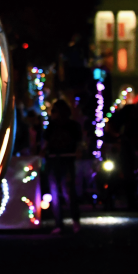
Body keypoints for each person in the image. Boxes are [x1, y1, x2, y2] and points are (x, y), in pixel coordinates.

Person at [42, 99, 82, 234]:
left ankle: (72, 221)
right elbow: (46, 143)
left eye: (54, 111)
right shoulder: (53, 126)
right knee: (58, 192)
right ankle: (61, 223)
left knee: (67, 191)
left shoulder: (70, 126)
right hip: (57, 160)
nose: (52, 114)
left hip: (64, 160)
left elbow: (79, 142)